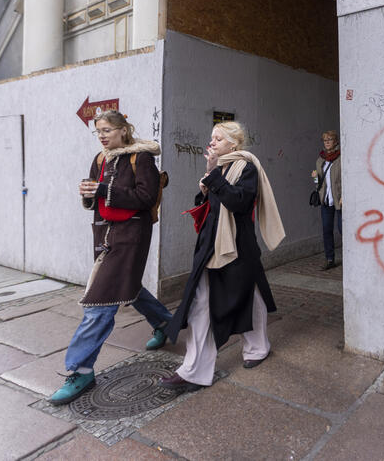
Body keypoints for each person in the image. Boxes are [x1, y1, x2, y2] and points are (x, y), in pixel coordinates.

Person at [49, 110, 173, 405]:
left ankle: (81, 370)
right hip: (104, 235)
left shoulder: (141, 158)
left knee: (100, 303)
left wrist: (104, 189)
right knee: (126, 288)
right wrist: (88, 194)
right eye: (98, 131)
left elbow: (145, 197)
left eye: (107, 130)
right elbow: (96, 198)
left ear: (124, 130)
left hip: (131, 236)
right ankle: (166, 323)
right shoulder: (99, 159)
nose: (102, 136)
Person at [158, 121, 285, 393]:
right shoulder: (221, 168)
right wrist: (208, 180)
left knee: (250, 295)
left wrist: (213, 177)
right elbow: (207, 205)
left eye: (218, 138)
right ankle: (196, 370)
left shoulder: (246, 166)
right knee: (203, 301)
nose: (212, 142)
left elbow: (239, 202)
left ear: (233, 144)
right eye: (211, 138)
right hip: (211, 246)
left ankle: (257, 347)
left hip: (237, 246)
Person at [312, 130, 342, 270]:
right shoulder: (320, 160)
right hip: (326, 200)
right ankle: (330, 259)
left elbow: (347, 178)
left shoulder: (341, 157)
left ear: (335, 141)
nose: (327, 142)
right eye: (325, 140)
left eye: (330, 139)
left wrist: (344, 196)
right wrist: (314, 177)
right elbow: (318, 183)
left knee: (343, 230)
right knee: (326, 230)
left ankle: (351, 258)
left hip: (340, 200)